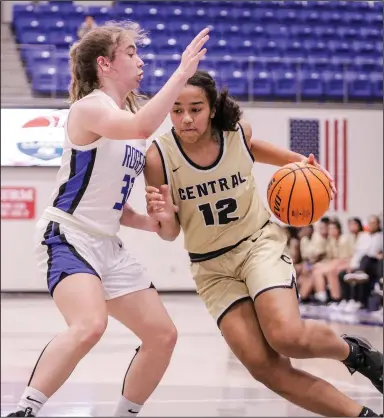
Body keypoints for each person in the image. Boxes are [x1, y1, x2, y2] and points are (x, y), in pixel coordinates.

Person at [144, 70, 383, 417]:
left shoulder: (236, 133)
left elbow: (251, 149)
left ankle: (357, 354)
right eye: (176, 110)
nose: (186, 118)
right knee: (265, 368)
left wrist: (300, 163)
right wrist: (164, 216)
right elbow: (168, 233)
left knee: (286, 336)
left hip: (256, 245)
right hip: (211, 268)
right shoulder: (158, 157)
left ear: (211, 109)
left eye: (195, 108)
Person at [7, 23, 210, 417]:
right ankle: (25, 410)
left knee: (163, 335)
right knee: (89, 325)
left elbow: (116, 208)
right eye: (131, 52)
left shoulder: (127, 122)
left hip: (108, 243)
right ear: (105, 64)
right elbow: (143, 124)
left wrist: (155, 221)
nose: (140, 60)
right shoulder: (91, 109)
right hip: (67, 234)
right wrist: (182, 72)